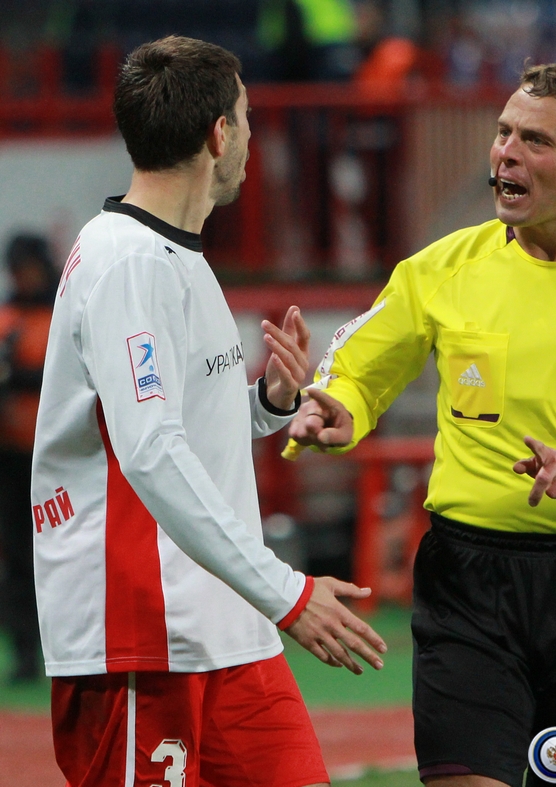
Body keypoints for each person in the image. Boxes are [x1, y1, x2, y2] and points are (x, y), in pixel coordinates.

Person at [287, 61, 556, 787]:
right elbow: (355, 368)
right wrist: (337, 407)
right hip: (468, 583)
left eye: (535, 141)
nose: (505, 154)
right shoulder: (442, 267)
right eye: (503, 133)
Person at [31, 35, 386, 787]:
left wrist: (269, 403)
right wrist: (289, 593)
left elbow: (173, 424)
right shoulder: (128, 263)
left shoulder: (174, 255)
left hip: (226, 627)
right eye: (247, 118)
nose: (252, 137)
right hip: (142, 635)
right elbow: (151, 451)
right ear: (219, 134)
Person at [0, 234, 57, 682]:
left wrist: (18, 375)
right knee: (18, 557)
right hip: (12, 458)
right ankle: (25, 652)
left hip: (57, 461)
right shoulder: (9, 318)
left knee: (60, 554)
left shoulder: (60, 313)